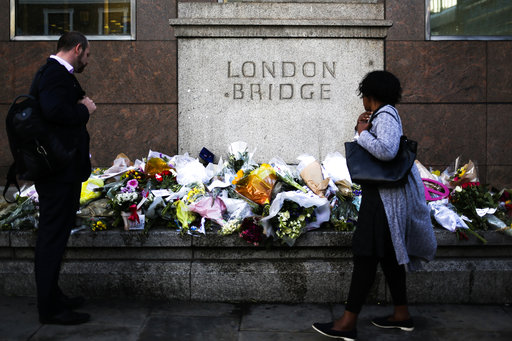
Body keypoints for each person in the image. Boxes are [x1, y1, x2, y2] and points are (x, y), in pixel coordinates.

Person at [312, 71, 437, 340]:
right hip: (382, 197)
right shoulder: (384, 115)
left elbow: (388, 150)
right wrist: (363, 131)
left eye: (364, 96)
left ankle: (347, 323)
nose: (363, 102)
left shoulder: (386, 114)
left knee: (366, 255)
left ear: (371, 96)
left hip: (383, 201)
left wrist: (361, 134)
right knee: (389, 256)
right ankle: (401, 314)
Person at [33, 31, 96, 325]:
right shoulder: (55, 74)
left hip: (61, 171)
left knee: (56, 238)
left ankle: (54, 295)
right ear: (78, 48)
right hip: (57, 173)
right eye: (87, 55)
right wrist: (83, 109)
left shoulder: (57, 74)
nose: (87, 60)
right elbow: (54, 111)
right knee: (51, 238)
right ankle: (49, 308)